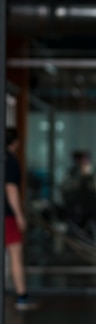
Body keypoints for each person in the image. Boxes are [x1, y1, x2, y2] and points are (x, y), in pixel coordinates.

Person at [4, 127, 37, 310]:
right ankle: (22, 296)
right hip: (7, 215)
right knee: (16, 255)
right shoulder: (10, 161)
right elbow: (11, 189)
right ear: (15, 142)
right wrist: (19, 215)